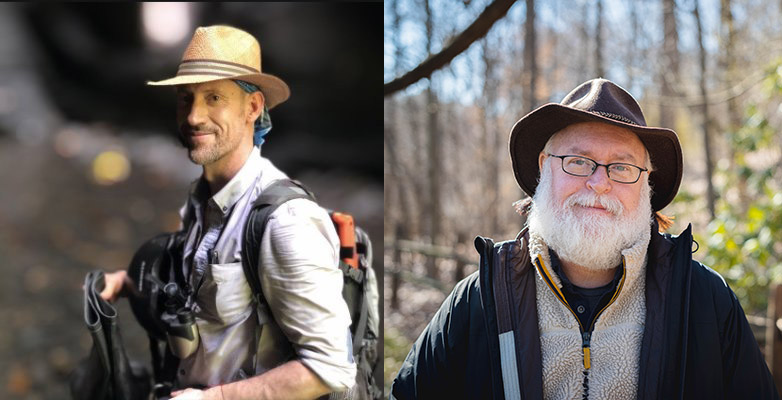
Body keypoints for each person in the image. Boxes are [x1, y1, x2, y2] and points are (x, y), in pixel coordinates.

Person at [390, 78, 779, 399]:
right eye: (578, 162)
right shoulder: (480, 300)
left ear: (647, 184)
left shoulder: (706, 301)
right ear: (545, 169)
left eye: (622, 167)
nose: (599, 184)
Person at [99, 25, 355, 399]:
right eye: (186, 98)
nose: (193, 117)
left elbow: (331, 368)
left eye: (214, 97)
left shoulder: (287, 223)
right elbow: (196, 290)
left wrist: (211, 398)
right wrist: (127, 283)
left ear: (252, 108)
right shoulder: (202, 199)